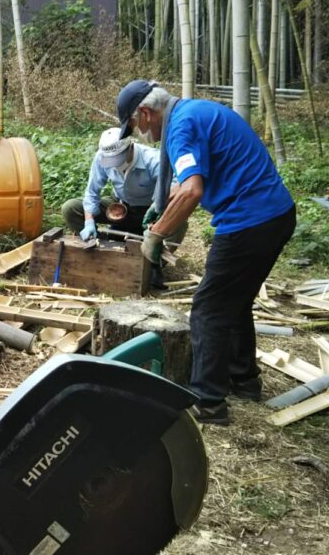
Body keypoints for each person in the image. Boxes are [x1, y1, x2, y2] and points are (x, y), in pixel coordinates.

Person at [116, 80, 296, 425]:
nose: (140, 133)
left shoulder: (182, 126)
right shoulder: (194, 112)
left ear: (145, 112)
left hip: (249, 221)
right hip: (276, 215)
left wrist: (156, 234)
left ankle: (208, 401)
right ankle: (244, 381)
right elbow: (189, 181)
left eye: (136, 125)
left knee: (208, 310)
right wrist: (165, 202)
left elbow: (193, 190)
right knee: (235, 302)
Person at [61, 127, 163, 240]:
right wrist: (89, 221)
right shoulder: (102, 155)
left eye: (118, 159)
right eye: (111, 160)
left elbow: (172, 195)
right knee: (70, 208)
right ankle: (98, 244)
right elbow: (92, 192)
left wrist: (157, 218)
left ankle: (150, 246)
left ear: (130, 147)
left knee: (174, 224)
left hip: (148, 211)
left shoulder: (153, 160)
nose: (114, 165)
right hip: (120, 205)